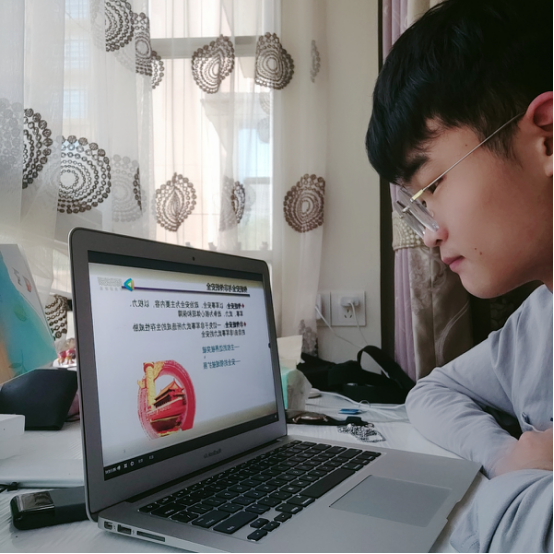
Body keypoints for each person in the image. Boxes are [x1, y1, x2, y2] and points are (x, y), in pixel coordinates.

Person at [365, 0, 553, 552]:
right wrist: (507, 455)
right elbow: (432, 391)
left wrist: (520, 486)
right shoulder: (536, 323)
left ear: (547, 140)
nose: (429, 234)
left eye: (432, 186)